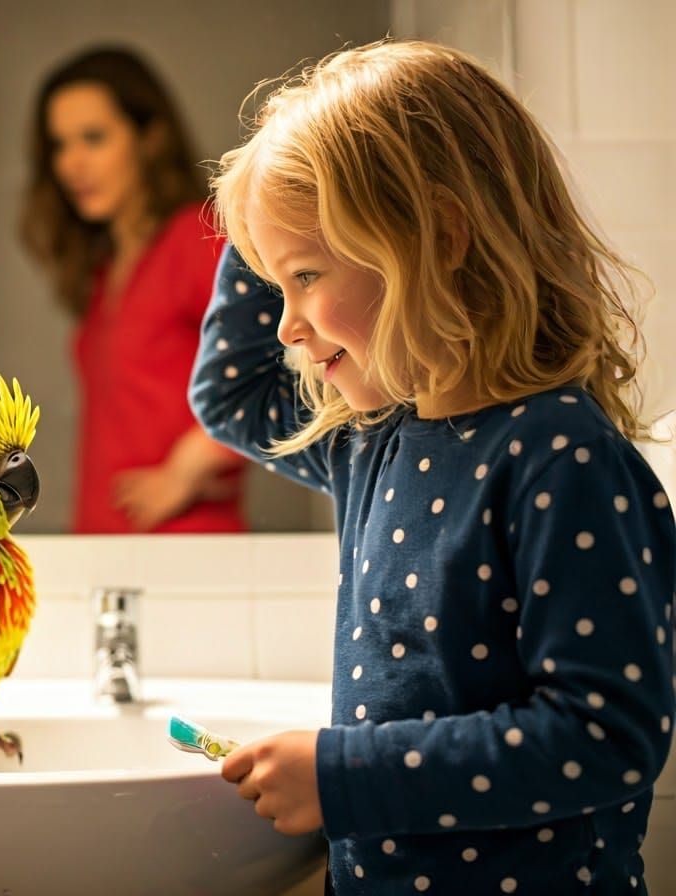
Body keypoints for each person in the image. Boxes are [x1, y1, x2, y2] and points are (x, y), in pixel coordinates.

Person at [191, 39, 675, 894]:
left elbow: (605, 738)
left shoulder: (561, 458)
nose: (286, 324)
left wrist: (344, 778)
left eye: (306, 275)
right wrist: (268, 199)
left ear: (442, 237)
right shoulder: (373, 441)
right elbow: (232, 394)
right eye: (277, 283)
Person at [20, 46, 247, 533]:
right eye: (59, 145)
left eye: (93, 138)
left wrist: (190, 466)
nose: (71, 163)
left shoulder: (196, 239)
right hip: (107, 544)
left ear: (150, 139)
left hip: (186, 547)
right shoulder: (106, 268)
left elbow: (283, 362)